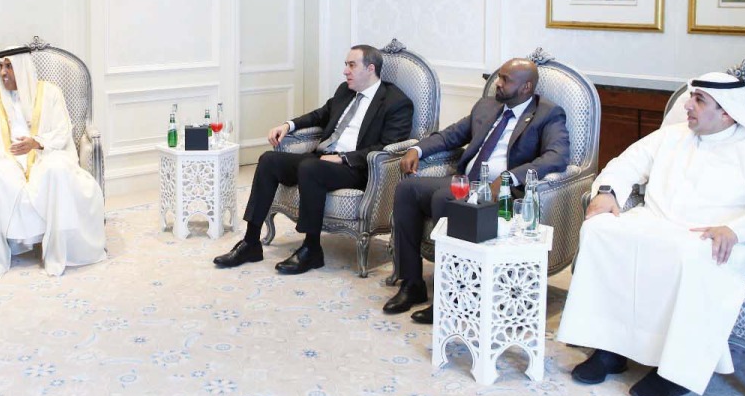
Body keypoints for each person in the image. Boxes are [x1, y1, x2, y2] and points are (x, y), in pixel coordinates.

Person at [557, 72, 745, 396]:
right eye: (691, 97)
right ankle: (609, 349)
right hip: (657, 223)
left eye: (698, 100)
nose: (687, 106)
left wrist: (739, 229)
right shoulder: (671, 136)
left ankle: (675, 373)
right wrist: (608, 192)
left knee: (697, 256)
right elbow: (625, 164)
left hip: (722, 239)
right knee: (598, 228)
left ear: (727, 112)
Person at [384, 58, 570, 323]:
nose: (498, 83)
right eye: (499, 77)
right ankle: (412, 283)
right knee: (407, 189)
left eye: (506, 79)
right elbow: (451, 135)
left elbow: (556, 157)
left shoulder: (548, 114)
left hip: (502, 194)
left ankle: (454, 295)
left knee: (445, 198)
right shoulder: (487, 106)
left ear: (527, 87)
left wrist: (507, 179)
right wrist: (418, 149)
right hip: (468, 182)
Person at [214, 45, 414, 275]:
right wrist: (288, 125)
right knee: (269, 159)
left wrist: (343, 159)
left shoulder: (396, 102)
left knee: (310, 167)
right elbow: (320, 114)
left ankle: (311, 248)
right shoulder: (345, 91)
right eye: (345, 65)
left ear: (370, 68)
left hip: (356, 169)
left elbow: (386, 148)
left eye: (351, 65)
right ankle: (251, 242)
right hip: (320, 160)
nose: (345, 71)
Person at [0, 46, 105, 279]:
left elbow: (62, 131)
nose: (3, 72)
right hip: (7, 160)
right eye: (1, 66)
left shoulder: (50, 93)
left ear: (22, 68)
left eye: (9, 66)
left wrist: (36, 142)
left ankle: (56, 253)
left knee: (56, 170)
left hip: (44, 156)